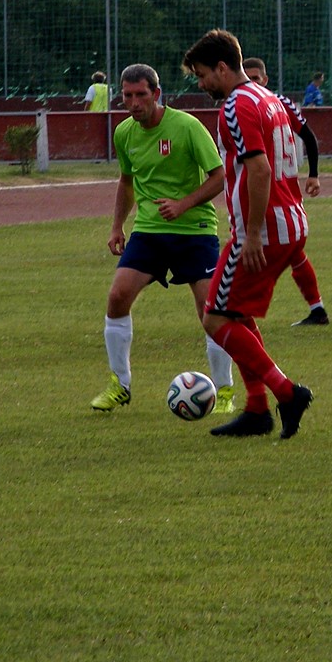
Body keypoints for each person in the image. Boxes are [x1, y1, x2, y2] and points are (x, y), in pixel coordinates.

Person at [181, 29, 314, 439]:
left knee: (215, 318)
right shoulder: (267, 97)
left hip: (264, 228)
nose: (201, 84)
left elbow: (259, 168)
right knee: (237, 313)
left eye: (202, 75)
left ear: (222, 67)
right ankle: (257, 410)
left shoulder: (235, 105)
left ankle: (286, 392)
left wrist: (252, 234)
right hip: (291, 222)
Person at [89, 63, 231, 414]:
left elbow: (219, 176)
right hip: (149, 231)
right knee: (117, 297)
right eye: (127, 96)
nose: (134, 103)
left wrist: (183, 204)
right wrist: (117, 226)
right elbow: (126, 181)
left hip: (194, 230)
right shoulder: (124, 133)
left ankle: (224, 390)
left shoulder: (186, 127)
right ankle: (120, 385)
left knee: (211, 311)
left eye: (141, 95)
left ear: (157, 93)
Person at [242, 56, 330, 327]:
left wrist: (313, 174)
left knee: (248, 259)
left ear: (265, 80)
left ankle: (234, 316)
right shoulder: (273, 104)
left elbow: (309, 137)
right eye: (247, 79)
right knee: (294, 253)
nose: (251, 84)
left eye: (256, 79)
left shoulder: (256, 106)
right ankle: (317, 309)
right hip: (285, 200)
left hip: (274, 197)